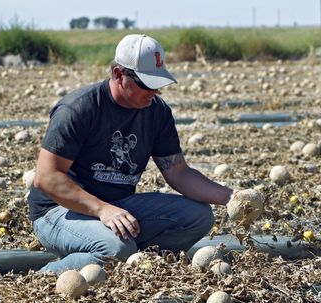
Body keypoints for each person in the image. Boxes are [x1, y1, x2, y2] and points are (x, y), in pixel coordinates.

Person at [28, 34, 235, 274]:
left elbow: (178, 172)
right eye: (146, 84)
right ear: (118, 74)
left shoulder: (156, 112)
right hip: (59, 211)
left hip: (117, 206)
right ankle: (44, 276)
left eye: (158, 84)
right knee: (114, 249)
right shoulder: (79, 109)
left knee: (198, 217)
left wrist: (229, 196)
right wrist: (102, 210)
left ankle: (138, 266)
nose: (154, 91)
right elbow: (47, 177)